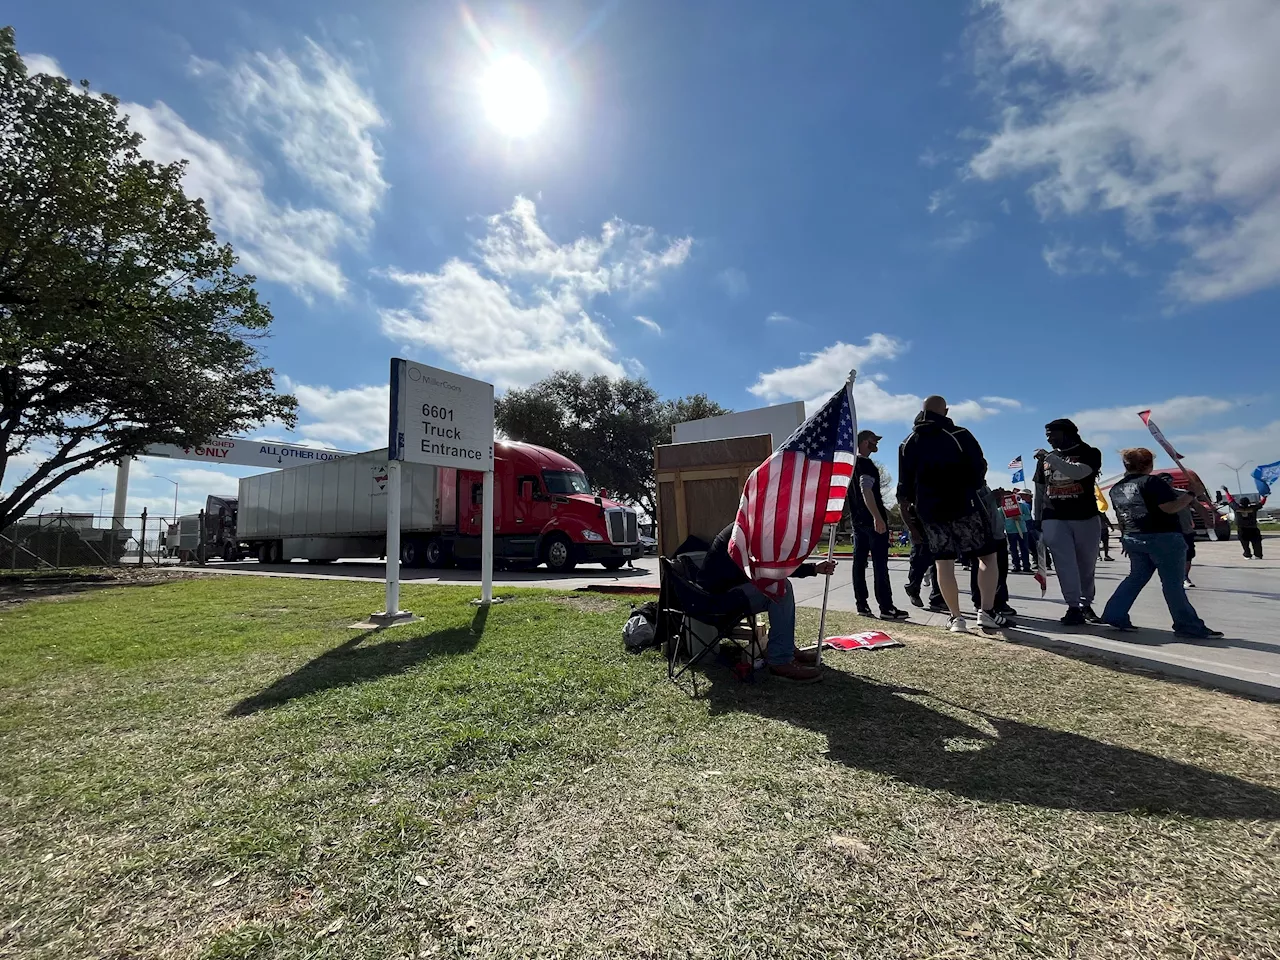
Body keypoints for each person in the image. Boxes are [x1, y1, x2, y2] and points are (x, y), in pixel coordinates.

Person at [897, 396, 1013, 633]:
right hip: (965, 506)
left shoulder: (907, 443)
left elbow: (904, 487)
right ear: (946, 411)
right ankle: (986, 611)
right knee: (987, 557)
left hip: (929, 511)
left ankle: (956, 618)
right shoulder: (960, 434)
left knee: (943, 564)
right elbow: (979, 466)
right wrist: (972, 485)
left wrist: (911, 521)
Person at [1102, 449, 1222, 639]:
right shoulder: (1152, 482)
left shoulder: (1117, 488)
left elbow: (1121, 514)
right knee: (1172, 584)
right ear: (1149, 464)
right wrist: (1192, 493)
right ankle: (1188, 625)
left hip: (1133, 536)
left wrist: (1125, 536)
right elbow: (1170, 507)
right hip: (1163, 537)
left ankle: (1114, 614)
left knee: (1135, 578)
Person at [698, 522, 839, 682]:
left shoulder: (749, 525)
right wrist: (812, 569)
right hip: (719, 599)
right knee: (780, 588)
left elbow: (774, 566)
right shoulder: (748, 531)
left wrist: (813, 568)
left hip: (728, 591)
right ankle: (780, 660)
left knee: (780, 586)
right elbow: (773, 568)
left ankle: (786, 648)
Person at [1034, 419, 1103, 625]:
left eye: (1052, 434)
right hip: (1054, 517)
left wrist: (1050, 458)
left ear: (1068, 433)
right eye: (1047, 435)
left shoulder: (1090, 452)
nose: (1049, 439)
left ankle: (1086, 604)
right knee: (1064, 564)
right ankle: (1073, 606)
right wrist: (1037, 520)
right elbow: (1039, 489)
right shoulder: (1045, 459)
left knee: (1086, 564)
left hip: (1085, 516)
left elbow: (1078, 472)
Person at [850, 429, 909, 621]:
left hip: (857, 521)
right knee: (880, 565)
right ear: (865, 442)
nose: (876, 444)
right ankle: (886, 607)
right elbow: (866, 490)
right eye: (874, 441)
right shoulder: (865, 465)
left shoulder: (850, 466)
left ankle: (862, 604)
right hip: (871, 522)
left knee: (859, 564)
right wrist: (878, 517)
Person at [972, 486, 1016, 616]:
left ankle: (999, 601)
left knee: (1001, 571)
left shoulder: (984, 486)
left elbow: (992, 506)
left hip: (997, 533)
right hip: (983, 534)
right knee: (981, 568)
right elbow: (974, 505)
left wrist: (1000, 498)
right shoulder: (970, 486)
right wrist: (993, 495)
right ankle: (983, 602)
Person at [902, 497, 946, 611]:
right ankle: (913, 587)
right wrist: (912, 529)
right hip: (920, 525)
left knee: (939, 563)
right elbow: (903, 506)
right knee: (919, 560)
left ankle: (937, 597)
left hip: (938, 524)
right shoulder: (914, 483)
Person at [1156, 474, 1197, 586]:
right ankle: (1172, 577)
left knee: (1188, 555)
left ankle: (1185, 577)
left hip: (1185, 530)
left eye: (1168, 480)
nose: (1167, 483)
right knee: (1170, 556)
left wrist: (1208, 520)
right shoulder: (1154, 496)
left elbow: (1197, 506)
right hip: (1166, 532)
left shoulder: (1183, 494)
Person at [1223, 488, 1268, 559]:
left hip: (1242, 529)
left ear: (1240, 503)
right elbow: (1261, 503)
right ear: (1249, 503)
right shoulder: (1253, 508)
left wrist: (1226, 491)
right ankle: (1258, 555)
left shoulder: (1236, 508)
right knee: (1256, 543)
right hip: (1253, 528)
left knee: (1245, 544)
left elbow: (1230, 500)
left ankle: (1247, 555)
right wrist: (1265, 496)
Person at [1003, 489, 1030, 573]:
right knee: (1013, 549)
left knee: (1024, 548)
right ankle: (1016, 565)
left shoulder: (1022, 506)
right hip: (1010, 531)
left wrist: (1020, 517)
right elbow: (1001, 519)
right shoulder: (1002, 508)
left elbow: (1028, 516)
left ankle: (1026, 566)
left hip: (1022, 530)